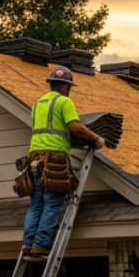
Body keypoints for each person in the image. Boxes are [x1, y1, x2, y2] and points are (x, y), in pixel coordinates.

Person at [22, 65, 104, 256]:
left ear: (51, 83)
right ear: (66, 86)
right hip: (54, 159)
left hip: (34, 158)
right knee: (52, 202)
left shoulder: (38, 102)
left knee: (37, 204)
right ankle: (41, 244)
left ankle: (27, 244)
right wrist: (95, 138)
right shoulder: (64, 102)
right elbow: (74, 126)